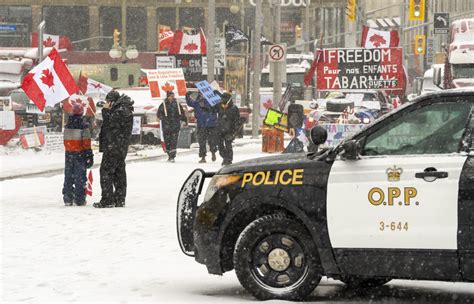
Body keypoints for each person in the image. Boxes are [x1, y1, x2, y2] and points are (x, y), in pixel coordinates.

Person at [93, 90, 134, 208]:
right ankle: (119, 199)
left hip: (113, 146)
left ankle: (107, 200)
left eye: (108, 101)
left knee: (106, 172)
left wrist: (106, 111)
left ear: (112, 101)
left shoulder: (120, 111)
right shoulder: (124, 109)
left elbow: (111, 124)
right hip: (120, 147)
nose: (106, 103)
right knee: (119, 172)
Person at [62, 102, 93, 206]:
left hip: (68, 153)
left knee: (68, 176)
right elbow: (86, 142)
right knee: (80, 177)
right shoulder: (83, 125)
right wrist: (89, 154)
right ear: (82, 112)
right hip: (80, 153)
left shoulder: (67, 125)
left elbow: (65, 141)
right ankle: (79, 199)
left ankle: (67, 198)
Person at [186, 91, 217, 163]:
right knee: (201, 142)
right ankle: (203, 157)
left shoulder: (211, 101)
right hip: (201, 124)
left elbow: (216, 107)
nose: (202, 95)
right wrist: (187, 96)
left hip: (210, 124)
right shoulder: (197, 101)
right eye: (200, 93)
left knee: (212, 141)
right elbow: (190, 103)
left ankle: (213, 153)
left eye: (203, 93)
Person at [157, 91, 187, 162]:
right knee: (167, 141)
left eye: (173, 96)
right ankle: (169, 153)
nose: (172, 97)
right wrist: (164, 118)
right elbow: (159, 114)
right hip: (166, 126)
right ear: (167, 97)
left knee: (174, 141)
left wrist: (184, 120)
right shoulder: (163, 105)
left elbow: (182, 113)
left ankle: (172, 156)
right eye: (171, 96)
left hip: (175, 126)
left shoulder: (177, 104)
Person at [216, 92, 240, 166]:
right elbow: (212, 108)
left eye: (224, 98)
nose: (222, 100)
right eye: (221, 98)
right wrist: (216, 94)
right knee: (220, 146)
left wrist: (234, 132)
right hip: (220, 130)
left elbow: (237, 120)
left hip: (229, 130)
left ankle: (228, 160)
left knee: (228, 145)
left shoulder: (234, 108)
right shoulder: (219, 107)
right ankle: (225, 157)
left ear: (228, 99)